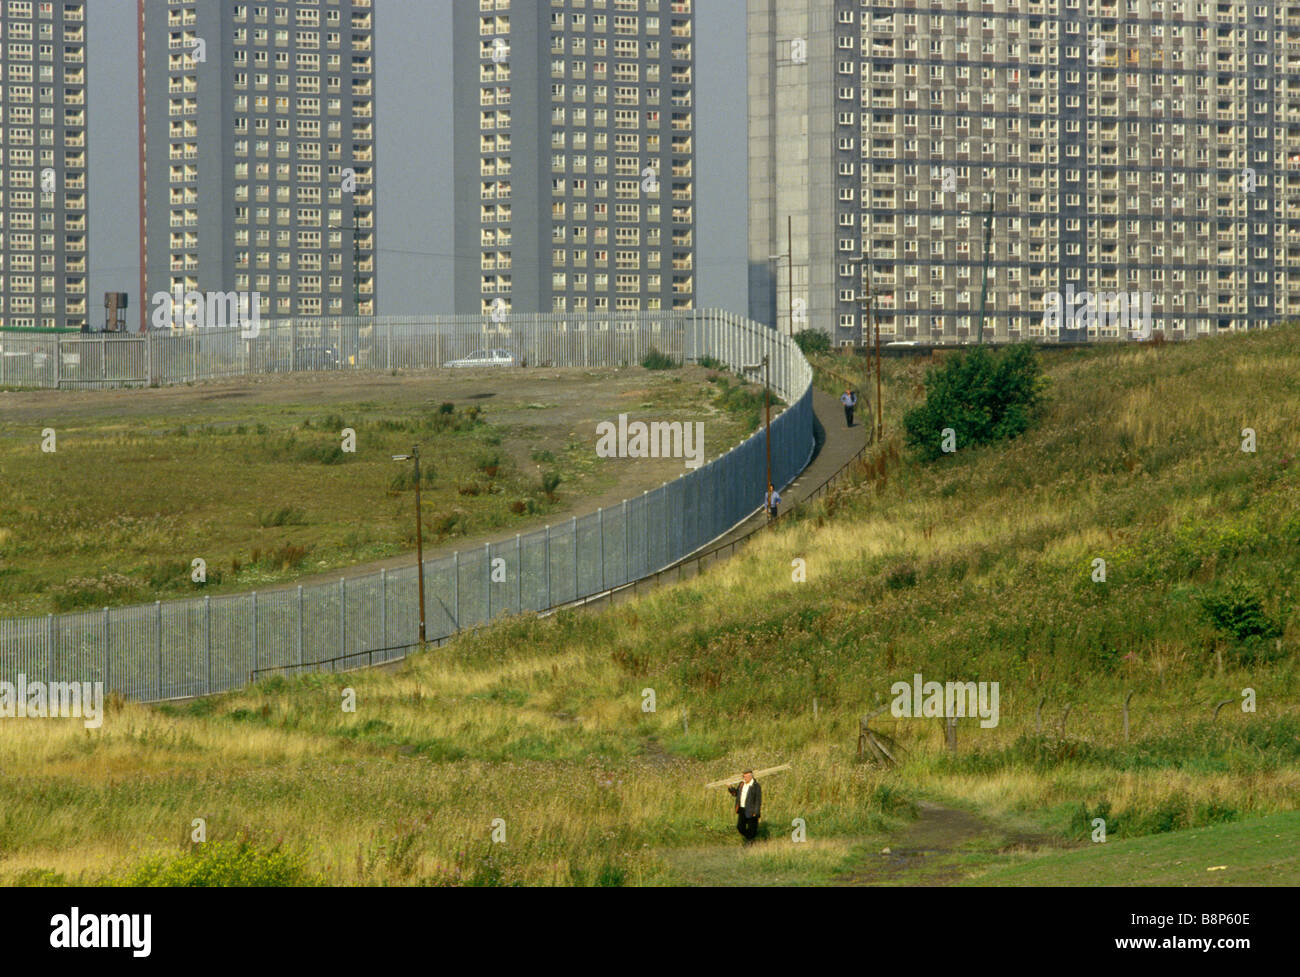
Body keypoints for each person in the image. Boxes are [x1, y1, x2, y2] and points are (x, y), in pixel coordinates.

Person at [727, 769, 762, 844]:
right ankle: (750, 838)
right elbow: (736, 794)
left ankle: (750, 842)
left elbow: (758, 800)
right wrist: (730, 787)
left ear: (750, 776)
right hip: (742, 809)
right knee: (740, 827)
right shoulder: (741, 784)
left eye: (745, 777)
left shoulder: (756, 786)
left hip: (751, 810)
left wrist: (756, 812)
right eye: (743, 776)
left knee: (752, 828)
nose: (744, 778)